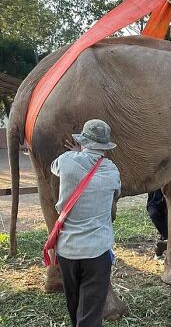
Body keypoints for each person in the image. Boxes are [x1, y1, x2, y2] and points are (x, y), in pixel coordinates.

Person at [51, 119, 121, 327]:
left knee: (74, 307)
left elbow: (54, 167)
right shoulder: (112, 171)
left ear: (83, 142)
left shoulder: (66, 161)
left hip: (67, 251)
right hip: (97, 252)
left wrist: (76, 153)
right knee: (90, 314)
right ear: (105, 148)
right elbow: (116, 194)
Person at [146, 189, 168, 257]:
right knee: (154, 214)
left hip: (169, 203)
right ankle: (166, 239)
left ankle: (160, 250)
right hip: (154, 202)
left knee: (168, 225)